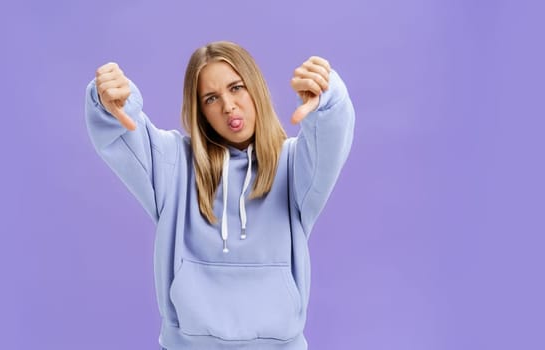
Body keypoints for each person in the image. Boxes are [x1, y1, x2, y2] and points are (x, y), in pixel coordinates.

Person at [85, 41, 354, 349]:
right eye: (211, 98)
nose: (228, 105)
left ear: (255, 88)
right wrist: (109, 100)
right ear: (201, 112)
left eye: (236, 88)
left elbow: (331, 140)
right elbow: (120, 129)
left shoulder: (294, 165)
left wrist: (327, 98)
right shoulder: (174, 164)